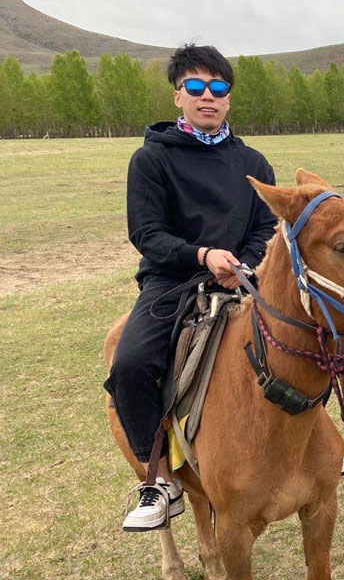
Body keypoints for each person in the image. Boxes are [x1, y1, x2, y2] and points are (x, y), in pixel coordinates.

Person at [106, 44, 279, 531]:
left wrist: (241, 263)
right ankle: (158, 479)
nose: (209, 96)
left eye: (218, 87)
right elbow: (147, 233)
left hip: (242, 275)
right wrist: (202, 256)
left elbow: (266, 226)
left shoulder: (252, 161)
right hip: (173, 279)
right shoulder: (150, 159)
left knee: (309, 337)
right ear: (178, 95)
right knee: (131, 364)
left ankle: (308, 445)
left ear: (229, 98)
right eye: (196, 87)